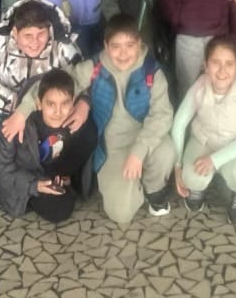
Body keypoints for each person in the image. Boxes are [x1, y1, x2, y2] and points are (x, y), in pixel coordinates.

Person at [0, 0, 82, 202]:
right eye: (28, 35)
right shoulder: (0, 46)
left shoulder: (63, 48)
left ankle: (58, 170)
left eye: (41, 34)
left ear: (49, 30)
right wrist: (15, 103)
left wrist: (83, 104)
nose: (35, 42)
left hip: (47, 118)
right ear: (14, 32)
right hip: (8, 112)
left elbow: (81, 82)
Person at [67, 16, 175, 223]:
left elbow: (162, 116)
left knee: (166, 151)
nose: (123, 53)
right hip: (112, 146)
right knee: (121, 215)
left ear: (139, 43)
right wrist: (23, 110)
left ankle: (154, 189)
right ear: (106, 46)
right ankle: (132, 181)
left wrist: (138, 152)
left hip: (143, 137)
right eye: (116, 46)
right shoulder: (95, 67)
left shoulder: (151, 71)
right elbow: (61, 83)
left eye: (130, 45)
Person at [171, 35, 236, 226]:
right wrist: (178, 165)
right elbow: (179, 124)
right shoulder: (199, 86)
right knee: (191, 178)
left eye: (229, 64)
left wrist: (213, 161)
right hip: (204, 140)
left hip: (235, 144)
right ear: (206, 65)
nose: (222, 70)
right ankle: (197, 189)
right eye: (216, 62)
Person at [0, 68, 98, 223]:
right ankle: (36, 196)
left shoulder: (74, 120)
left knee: (89, 130)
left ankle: (59, 184)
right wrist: (35, 185)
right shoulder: (16, 126)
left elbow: (95, 78)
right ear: (39, 104)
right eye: (50, 104)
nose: (58, 112)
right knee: (59, 209)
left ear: (73, 101)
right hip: (25, 180)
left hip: (54, 174)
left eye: (65, 103)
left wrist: (85, 102)